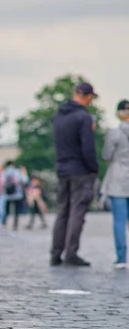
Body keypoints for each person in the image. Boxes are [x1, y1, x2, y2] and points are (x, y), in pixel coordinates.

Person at [51, 82, 99, 267]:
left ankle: (55, 253)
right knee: (76, 212)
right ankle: (71, 253)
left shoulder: (58, 116)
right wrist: (93, 168)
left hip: (62, 168)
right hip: (80, 170)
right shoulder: (83, 117)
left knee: (62, 211)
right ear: (87, 96)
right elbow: (88, 148)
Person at [100, 100, 129, 269]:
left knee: (119, 220)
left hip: (118, 178)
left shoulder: (114, 133)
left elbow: (107, 155)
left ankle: (121, 258)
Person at [0, 161, 28, 231]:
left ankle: (4, 225)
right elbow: (24, 181)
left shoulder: (4, 172)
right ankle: (15, 226)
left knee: (6, 211)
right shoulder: (17, 171)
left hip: (7, 195)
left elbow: (2, 183)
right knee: (16, 211)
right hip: (17, 194)